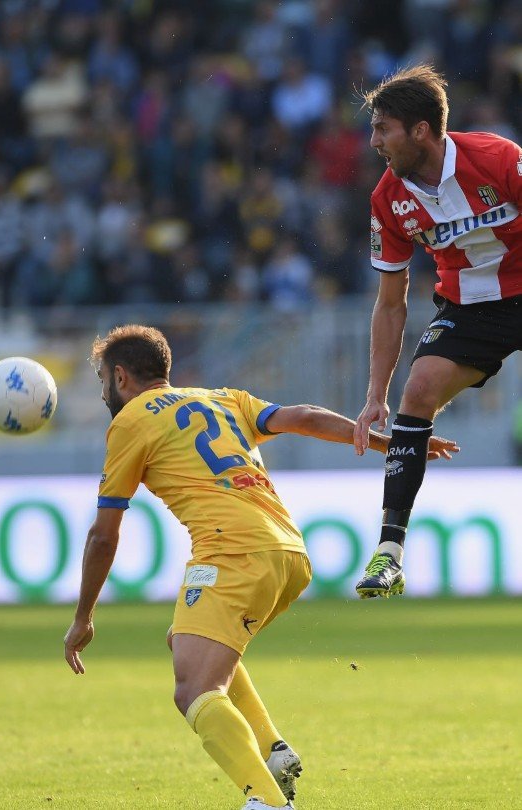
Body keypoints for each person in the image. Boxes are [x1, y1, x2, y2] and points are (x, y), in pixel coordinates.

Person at [64, 324, 457, 809]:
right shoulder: (222, 398)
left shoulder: (129, 422)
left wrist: (83, 616)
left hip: (232, 553)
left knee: (194, 690)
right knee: (186, 642)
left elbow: (104, 534)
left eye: (103, 378)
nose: (105, 389)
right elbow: (306, 416)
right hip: (288, 552)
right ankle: (272, 750)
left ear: (120, 376)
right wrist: (394, 442)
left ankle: (267, 800)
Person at [353, 64, 522, 598]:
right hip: (470, 309)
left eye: (383, 128)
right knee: (419, 390)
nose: (374, 140)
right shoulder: (388, 198)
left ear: (420, 130)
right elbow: (389, 304)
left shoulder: (499, 158)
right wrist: (374, 396)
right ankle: (389, 553)